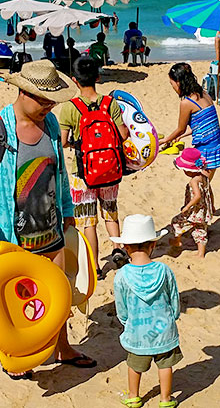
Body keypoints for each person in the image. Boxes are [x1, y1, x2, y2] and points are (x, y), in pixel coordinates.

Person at [0, 60, 96, 378]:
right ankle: (17, 353)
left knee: (58, 294)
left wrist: (67, 211)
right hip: (13, 238)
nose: (49, 107)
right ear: (23, 92)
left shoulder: (50, 125)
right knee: (17, 299)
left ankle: (62, 347)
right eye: (43, 100)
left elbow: (58, 172)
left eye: (52, 101)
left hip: (51, 231)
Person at [58, 56, 130, 276]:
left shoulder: (70, 108)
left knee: (88, 220)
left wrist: (76, 143)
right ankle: (117, 249)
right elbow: (123, 134)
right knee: (110, 211)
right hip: (109, 169)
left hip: (83, 172)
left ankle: (95, 266)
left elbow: (62, 141)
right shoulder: (110, 103)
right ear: (98, 77)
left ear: (74, 80)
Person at [112, 214, 180, 408]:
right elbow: (173, 296)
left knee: (134, 365)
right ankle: (165, 399)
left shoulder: (122, 275)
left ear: (126, 248)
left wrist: (126, 322)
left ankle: (134, 396)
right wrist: (173, 315)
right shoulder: (164, 270)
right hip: (163, 327)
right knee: (166, 364)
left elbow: (121, 305)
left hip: (138, 332)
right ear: (153, 245)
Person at [161, 63, 220, 179]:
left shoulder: (187, 103)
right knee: (205, 186)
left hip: (205, 150)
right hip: (216, 146)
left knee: (197, 185)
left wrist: (164, 140)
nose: (172, 87)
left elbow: (180, 129)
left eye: (171, 84)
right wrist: (181, 136)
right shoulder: (204, 94)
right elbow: (203, 125)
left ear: (178, 82)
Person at [169, 148, 214, 258]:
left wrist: (187, 207)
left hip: (194, 210)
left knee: (176, 222)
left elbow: (197, 196)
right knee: (200, 230)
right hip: (204, 211)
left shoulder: (193, 181)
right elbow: (209, 192)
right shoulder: (204, 177)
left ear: (189, 170)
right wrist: (212, 205)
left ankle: (177, 240)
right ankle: (201, 253)